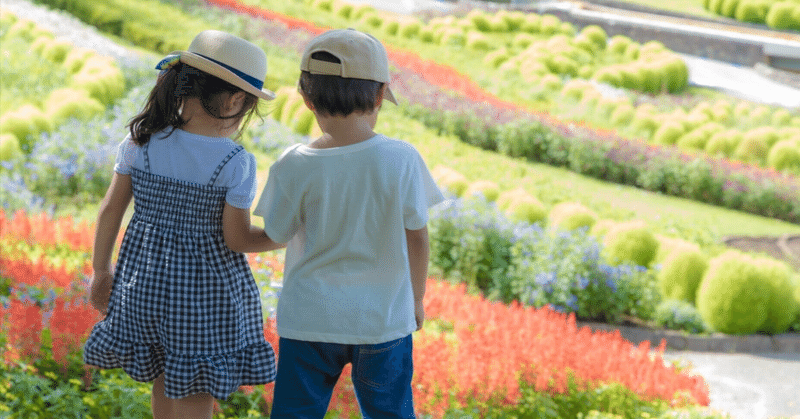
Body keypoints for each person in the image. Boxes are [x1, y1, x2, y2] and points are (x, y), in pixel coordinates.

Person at [83, 30, 284, 419]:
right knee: (193, 389)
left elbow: (109, 211)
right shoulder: (233, 161)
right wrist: (285, 235)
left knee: (165, 378)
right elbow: (237, 239)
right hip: (202, 300)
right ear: (235, 99)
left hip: (144, 288)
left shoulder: (141, 141)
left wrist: (100, 271)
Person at [253, 28, 444, 418]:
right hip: (382, 321)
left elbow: (275, 234)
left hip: (308, 320)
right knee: (390, 411)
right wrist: (417, 298)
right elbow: (418, 238)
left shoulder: (294, 163)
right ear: (379, 96)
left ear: (305, 99)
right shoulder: (401, 158)